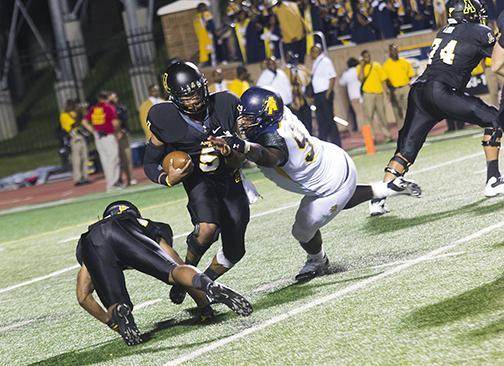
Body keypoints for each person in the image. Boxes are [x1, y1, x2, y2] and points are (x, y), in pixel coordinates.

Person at [208, 87, 420, 281]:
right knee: (341, 201)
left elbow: (268, 156)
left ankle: (318, 260)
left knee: (302, 230)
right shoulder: (279, 113)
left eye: (249, 119)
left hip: (332, 184)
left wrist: (242, 145)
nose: (243, 122)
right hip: (335, 160)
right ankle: (386, 188)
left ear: (264, 120)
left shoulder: (279, 142)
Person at [369, 0, 504, 216]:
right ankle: (493, 179)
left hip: (419, 91)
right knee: (494, 119)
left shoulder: (444, 31)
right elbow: (499, 58)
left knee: (405, 151)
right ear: (468, 12)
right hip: (441, 91)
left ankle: (378, 200)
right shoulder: (479, 31)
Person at [143, 61, 251, 306]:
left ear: (204, 86)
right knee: (207, 230)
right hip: (198, 180)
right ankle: (188, 269)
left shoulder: (225, 104)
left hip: (230, 178)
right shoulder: (164, 118)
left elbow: (242, 157)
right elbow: (150, 163)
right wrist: (167, 179)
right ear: (173, 98)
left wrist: (229, 152)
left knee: (235, 251)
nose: (193, 101)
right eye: (186, 97)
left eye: (195, 93)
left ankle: (204, 280)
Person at [76, 200, 252, 346]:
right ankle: (210, 286)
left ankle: (119, 313)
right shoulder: (142, 223)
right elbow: (177, 264)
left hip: (94, 241)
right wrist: (204, 305)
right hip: (127, 232)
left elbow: (83, 296)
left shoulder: (90, 235)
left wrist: (112, 323)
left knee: (116, 301)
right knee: (172, 272)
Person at [82, 91, 121, 192]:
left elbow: (84, 121)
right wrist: (118, 132)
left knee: (105, 160)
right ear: (107, 97)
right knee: (113, 158)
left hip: (98, 136)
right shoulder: (108, 108)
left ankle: (109, 183)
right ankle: (114, 182)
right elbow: (115, 122)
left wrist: (93, 130)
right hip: (108, 135)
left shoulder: (94, 109)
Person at [356, 49, 393, 143]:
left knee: (382, 116)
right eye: (365, 57)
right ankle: (370, 139)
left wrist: (386, 92)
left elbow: (383, 79)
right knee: (368, 117)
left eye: (368, 56)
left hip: (379, 93)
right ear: (362, 58)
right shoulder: (359, 67)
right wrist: (362, 66)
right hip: (368, 94)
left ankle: (387, 136)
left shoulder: (376, 65)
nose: (367, 58)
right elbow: (360, 79)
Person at [309, 44, 341, 146]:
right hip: (318, 94)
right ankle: (325, 143)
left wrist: (328, 93)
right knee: (321, 120)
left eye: (313, 51)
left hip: (325, 93)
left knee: (329, 119)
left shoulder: (325, 61)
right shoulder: (315, 63)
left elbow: (332, 77)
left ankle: (336, 143)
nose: (311, 54)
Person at [382, 44, 415, 131]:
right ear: (389, 52)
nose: (395, 52)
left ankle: (413, 130)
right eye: (393, 50)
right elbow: (385, 80)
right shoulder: (386, 65)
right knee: (398, 112)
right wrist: (389, 91)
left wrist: (404, 83)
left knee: (409, 109)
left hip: (405, 88)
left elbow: (410, 74)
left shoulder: (404, 62)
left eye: (396, 50)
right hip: (394, 90)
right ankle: (402, 131)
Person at [59, 99, 91, 186]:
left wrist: (83, 113)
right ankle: (78, 178)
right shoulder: (64, 115)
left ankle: (85, 176)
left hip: (82, 137)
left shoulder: (75, 114)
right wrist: (79, 115)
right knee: (77, 159)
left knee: (85, 158)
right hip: (74, 138)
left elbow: (85, 121)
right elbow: (73, 125)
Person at [108, 92, 136, 187]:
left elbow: (124, 121)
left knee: (127, 158)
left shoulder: (121, 108)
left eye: (114, 96)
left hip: (122, 135)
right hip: (112, 136)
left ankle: (130, 178)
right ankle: (118, 179)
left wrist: (123, 131)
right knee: (116, 159)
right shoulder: (106, 109)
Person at [339, 57, 364, 132]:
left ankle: (362, 129)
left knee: (359, 114)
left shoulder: (347, 74)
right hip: (362, 94)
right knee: (367, 113)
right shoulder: (359, 70)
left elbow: (341, 82)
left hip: (353, 96)